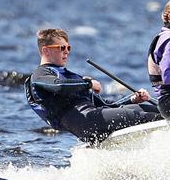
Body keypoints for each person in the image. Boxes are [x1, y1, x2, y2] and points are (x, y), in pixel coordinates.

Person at [25, 28, 162, 144]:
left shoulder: (71, 78)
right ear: (46, 50)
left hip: (93, 116)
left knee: (149, 108)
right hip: (82, 122)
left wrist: (132, 99)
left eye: (68, 48)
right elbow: (59, 86)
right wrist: (88, 84)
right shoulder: (40, 74)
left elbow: (105, 105)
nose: (66, 52)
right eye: (61, 48)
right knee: (143, 115)